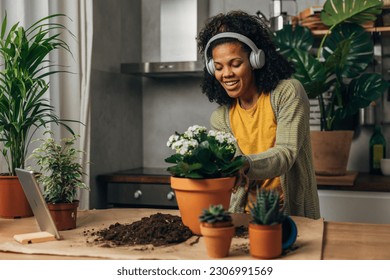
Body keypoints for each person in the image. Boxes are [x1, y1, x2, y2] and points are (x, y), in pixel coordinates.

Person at [196, 10, 320, 219]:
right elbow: (235, 173)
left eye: (235, 64)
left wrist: (245, 164)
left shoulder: (287, 93)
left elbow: (285, 154)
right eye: (218, 67)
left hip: (290, 215)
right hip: (243, 215)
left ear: (256, 60)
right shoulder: (221, 118)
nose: (226, 74)